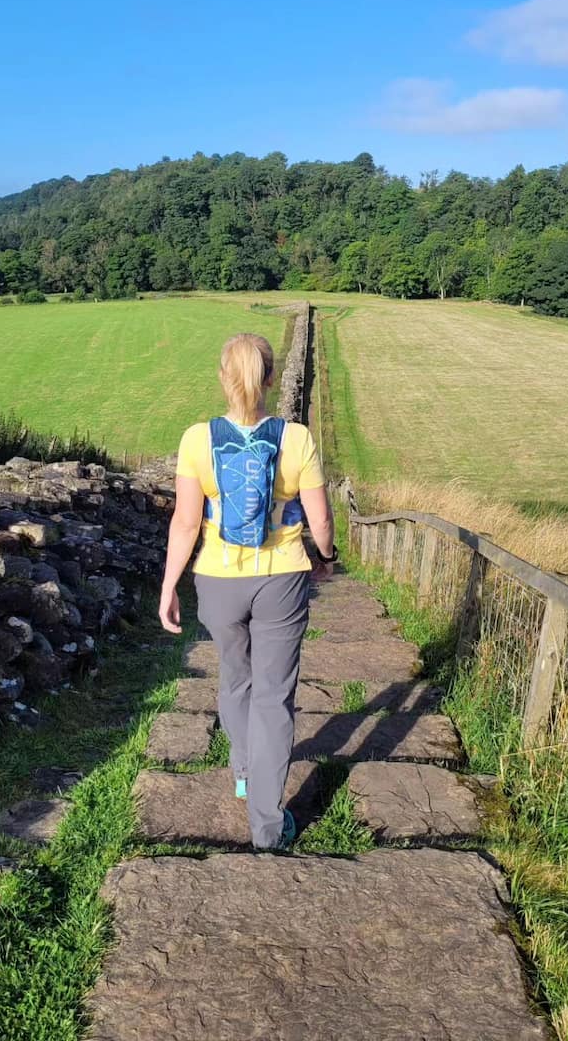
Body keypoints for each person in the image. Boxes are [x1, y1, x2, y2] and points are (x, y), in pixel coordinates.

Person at [158, 332, 337, 848]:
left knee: (235, 679)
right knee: (274, 697)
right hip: (281, 576)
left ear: (222, 377)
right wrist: (324, 559)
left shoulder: (197, 439)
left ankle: (243, 766)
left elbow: (186, 523)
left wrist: (170, 584)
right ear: (271, 379)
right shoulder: (296, 437)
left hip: (216, 579)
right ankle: (265, 824)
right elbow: (320, 519)